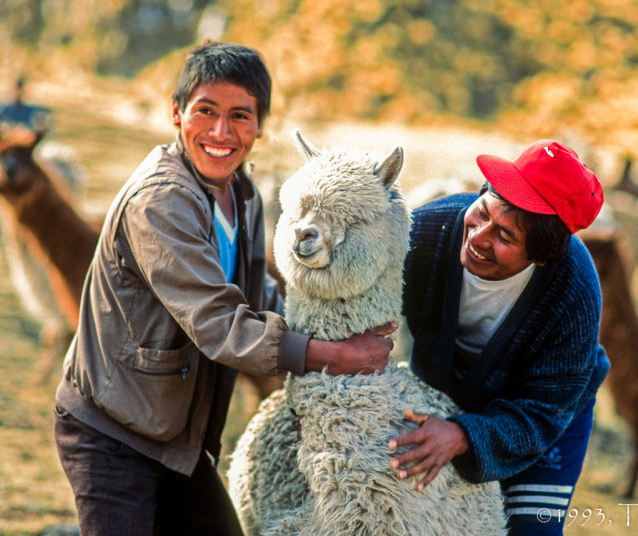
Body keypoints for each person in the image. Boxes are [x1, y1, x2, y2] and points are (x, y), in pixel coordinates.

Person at [53, 41, 394, 536]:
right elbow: (218, 324)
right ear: (176, 113)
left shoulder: (242, 194)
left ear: (259, 127)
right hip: (114, 432)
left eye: (240, 116)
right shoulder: (160, 203)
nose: (221, 132)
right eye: (205, 111)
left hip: (176, 436)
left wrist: (339, 335)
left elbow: (259, 296)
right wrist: (333, 356)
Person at [388, 139, 610, 535]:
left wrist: (461, 434)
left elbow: (542, 413)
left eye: (505, 237)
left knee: (530, 529)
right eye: (483, 211)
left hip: (543, 415)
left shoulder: (573, 292)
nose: (478, 236)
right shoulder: (424, 233)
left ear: (541, 256)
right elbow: (359, 307)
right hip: (442, 394)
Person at [0, 76, 51, 140]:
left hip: (24, 138)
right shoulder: (5, 108)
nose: (19, 93)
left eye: (22, 89)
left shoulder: (30, 109)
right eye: (17, 89)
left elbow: (44, 112)